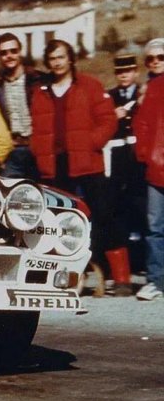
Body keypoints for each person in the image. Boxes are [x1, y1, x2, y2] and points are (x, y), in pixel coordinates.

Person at [29, 39, 131, 296]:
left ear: (71, 59)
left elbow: (108, 120)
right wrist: (38, 152)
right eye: (52, 58)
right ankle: (63, 277)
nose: (57, 62)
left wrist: (92, 142)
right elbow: (38, 129)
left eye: (61, 57)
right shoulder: (40, 91)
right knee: (58, 221)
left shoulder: (90, 85)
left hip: (87, 161)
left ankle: (121, 278)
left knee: (104, 215)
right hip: (55, 165)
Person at [106, 54, 147, 274]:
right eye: (120, 72)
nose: (124, 75)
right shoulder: (109, 96)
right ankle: (125, 264)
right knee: (119, 209)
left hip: (137, 157)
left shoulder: (143, 94)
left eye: (128, 71)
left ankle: (142, 261)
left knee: (140, 208)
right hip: (117, 157)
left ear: (136, 72)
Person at [0, 32, 43, 179]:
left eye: (13, 51)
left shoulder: (38, 80)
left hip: (38, 147)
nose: (9, 56)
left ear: (20, 51)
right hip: (13, 150)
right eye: (4, 53)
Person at [133, 70, 164, 300]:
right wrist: (146, 154)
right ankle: (155, 280)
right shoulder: (155, 87)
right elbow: (141, 122)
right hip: (157, 166)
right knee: (155, 228)